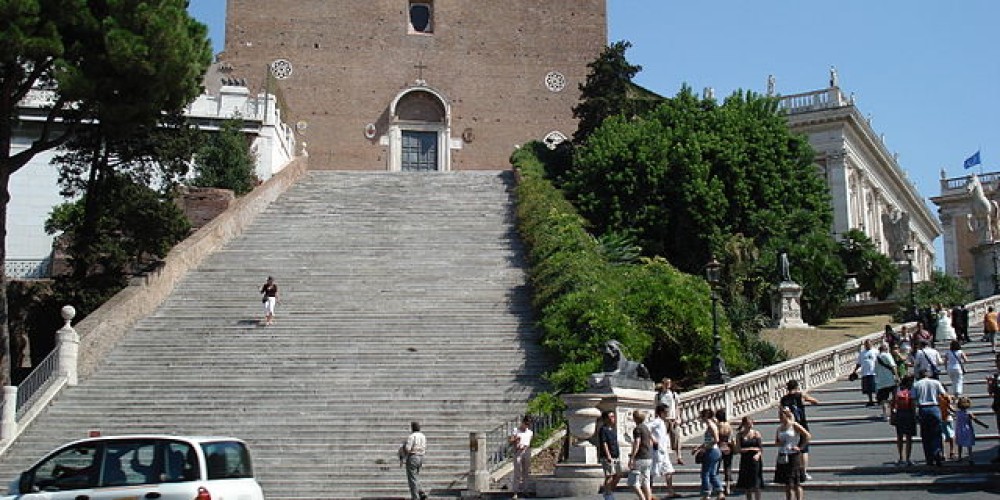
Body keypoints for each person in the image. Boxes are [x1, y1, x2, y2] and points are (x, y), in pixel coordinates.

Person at [778, 380, 818, 480]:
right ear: (796, 387)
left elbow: (780, 413)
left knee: (791, 447)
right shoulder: (800, 395)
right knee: (804, 449)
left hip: (790, 425)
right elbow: (815, 401)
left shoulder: (783, 399)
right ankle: (803, 472)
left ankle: (792, 471)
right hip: (801, 424)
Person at [912, 369, 948, 466]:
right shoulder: (936, 382)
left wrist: (915, 413)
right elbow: (944, 394)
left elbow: (913, 400)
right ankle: (937, 452)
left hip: (923, 408)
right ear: (928, 374)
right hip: (934, 407)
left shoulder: (916, 384)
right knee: (937, 433)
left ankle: (929, 458)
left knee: (926, 434)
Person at [774, 406, 810, 500]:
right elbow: (776, 442)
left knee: (796, 482)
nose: (780, 418)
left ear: (787, 415)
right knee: (787, 484)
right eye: (779, 416)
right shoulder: (779, 428)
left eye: (782, 416)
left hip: (793, 455)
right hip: (783, 454)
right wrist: (779, 443)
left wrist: (800, 447)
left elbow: (807, 435)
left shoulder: (794, 425)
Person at [691, 408, 724, 500]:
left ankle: (706, 494)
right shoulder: (711, 425)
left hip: (712, 451)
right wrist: (699, 447)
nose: (700, 418)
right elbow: (708, 441)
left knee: (705, 473)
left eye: (702, 416)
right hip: (714, 451)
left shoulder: (711, 425)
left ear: (705, 416)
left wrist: (704, 448)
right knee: (712, 473)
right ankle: (719, 491)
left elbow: (716, 440)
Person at [647, 405, 678, 498]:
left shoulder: (664, 422)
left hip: (663, 450)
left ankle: (670, 491)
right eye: (666, 412)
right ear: (661, 413)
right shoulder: (656, 421)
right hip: (657, 451)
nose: (667, 414)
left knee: (669, 470)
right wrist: (653, 439)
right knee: (652, 472)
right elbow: (646, 428)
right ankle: (649, 493)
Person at [890, 375, 917, 466]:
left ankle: (901, 457)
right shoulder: (911, 390)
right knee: (909, 437)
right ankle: (908, 458)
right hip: (908, 413)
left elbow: (893, 402)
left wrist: (892, 415)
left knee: (900, 437)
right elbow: (913, 404)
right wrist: (915, 415)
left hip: (899, 413)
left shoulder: (897, 389)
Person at [734, 416, 763, 500]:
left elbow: (760, 448)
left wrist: (758, 454)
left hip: (755, 459)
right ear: (744, 424)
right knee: (747, 485)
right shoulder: (739, 435)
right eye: (748, 424)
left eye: (751, 423)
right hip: (745, 460)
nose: (750, 425)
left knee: (757, 483)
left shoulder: (756, 433)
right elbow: (738, 449)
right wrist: (750, 449)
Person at [954, 396, 990, 463]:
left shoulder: (957, 413)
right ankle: (970, 458)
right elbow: (976, 420)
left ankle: (959, 457)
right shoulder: (969, 414)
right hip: (967, 430)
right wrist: (984, 425)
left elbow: (952, 411)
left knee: (960, 444)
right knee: (969, 444)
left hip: (959, 430)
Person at [627, 410, 654, 500]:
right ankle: (648, 498)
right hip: (648, 456)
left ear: (635, 418)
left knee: (633, 481)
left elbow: (637, 443)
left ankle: (642, 498)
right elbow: (651, 442)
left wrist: (632, 457)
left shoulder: (637, 429)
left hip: (640, 457)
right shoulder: (646, 428)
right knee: (646, 480)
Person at [598, 410, 624, 500]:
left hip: (615, 455)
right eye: (610, 417)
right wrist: (608, 455)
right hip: (607, 456)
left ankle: (608, 491)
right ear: (605, 419)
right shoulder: (603, 429)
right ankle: (608, 495)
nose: (613, 419)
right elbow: (604, 443)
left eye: (613, 417)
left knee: (619, 474)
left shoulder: (613, 429)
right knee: (609, 476)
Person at [657, 378, 684, 464]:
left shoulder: (674, 394)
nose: (668, 385)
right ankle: (663, 457)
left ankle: (679, 457)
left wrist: (678, 418)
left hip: (672, 419)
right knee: (662, 439)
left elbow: (677, 407)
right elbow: (656, 408)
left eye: (669, 383)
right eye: (666, 383)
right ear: (662, 384)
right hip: (663, 420)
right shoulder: (658, 395)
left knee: (676, 438)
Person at [399, 421, 427, 500]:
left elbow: (408, 448)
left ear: (412, 428)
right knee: (416, 476)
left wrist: (403, 448)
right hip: (421, 457)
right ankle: (421, 491)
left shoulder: (412, 436)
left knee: (412, 478)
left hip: (413, 457)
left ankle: (415, 497)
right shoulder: (423, 436)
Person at [508, 415, 533, 499]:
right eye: (526, 424)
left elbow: (529, 442)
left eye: (528, 424)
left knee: (526, 472)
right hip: (518, 452)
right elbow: (510, 441)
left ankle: (525, 491)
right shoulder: (516, 430)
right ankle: (515, 492)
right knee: (517, 472)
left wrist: (525, 447)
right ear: (523, 422)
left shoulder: (530, 432)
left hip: (526, 451)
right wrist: (515, 440)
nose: (527, 426)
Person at [850, 339, 878, 407]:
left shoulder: (876, 351)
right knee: (868, 389)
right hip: (865, 373)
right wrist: (854, 370)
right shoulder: (862, 353)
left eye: (868, 344)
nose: (867, 345)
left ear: (871, 344)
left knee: (876, 387)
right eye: (866, 344)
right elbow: (859, 363)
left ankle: (878, 399)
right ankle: (870, 400)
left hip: (873, 372)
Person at [874, 343, 898, 421]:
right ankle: (893, 410)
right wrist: (897, 376)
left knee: (884, 399)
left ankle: (885, 415)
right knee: (895, 395)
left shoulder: (876, 359)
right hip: (890, 379)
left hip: (881, 381)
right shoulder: (887, 355)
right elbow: (893, 366)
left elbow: (876, 371)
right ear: (886, 349)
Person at [715, 409, 734, 495]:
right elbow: (731, 438)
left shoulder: (717, 425)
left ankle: (717, 486)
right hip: (728, 448)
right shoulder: (728, 425)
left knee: (716, 468)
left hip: (719, 447)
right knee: (728, 467)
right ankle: (728, 487)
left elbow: (716, 438)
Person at [985, 353, 1000, 463]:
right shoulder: (996, 376)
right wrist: (990, 384)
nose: (998, 364)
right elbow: (991, 393)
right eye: (997, 361)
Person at [940, 392, 956, 460]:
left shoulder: (937, 398)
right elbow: (950, 407)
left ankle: (943, 453)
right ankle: (952, 452)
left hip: (940, 418)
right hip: (948, 418)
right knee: (951, 435)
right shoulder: (946, 397)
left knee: (942, 436)